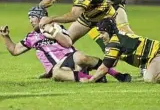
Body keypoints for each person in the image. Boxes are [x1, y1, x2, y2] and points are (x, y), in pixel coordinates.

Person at [0, 6, 131, 82]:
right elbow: (15, 50)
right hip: (58, 69)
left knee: (81, 57)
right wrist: (5, 36)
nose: (30, 20)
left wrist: (51, 31)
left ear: (41, 17)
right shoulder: (32, 37)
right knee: (56, 74)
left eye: (32, 17)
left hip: (71, 59)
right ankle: (94, 78)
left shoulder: (56, 27)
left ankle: (117, 75)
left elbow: (68, 43)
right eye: (29, 17)